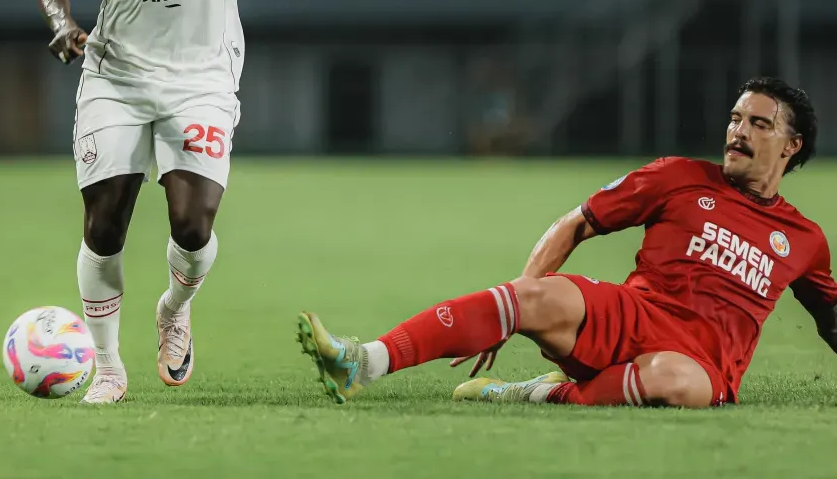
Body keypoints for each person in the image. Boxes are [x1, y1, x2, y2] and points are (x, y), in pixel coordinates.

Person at [37, 0, 416, 405]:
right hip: (116, 77)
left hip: (202, 77)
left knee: (192, 226)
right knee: (104, 225)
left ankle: (174, 309)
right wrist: (62, 24)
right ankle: (106, 369)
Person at [297, 77, 837, 408]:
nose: (737, 131)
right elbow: (577, 222)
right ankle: (363, 361)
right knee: (537, 294)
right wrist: (512, 305)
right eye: (735, 118)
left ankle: (536, 392)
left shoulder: (805, 240)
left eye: (759, 124)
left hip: (702, 363)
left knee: (676, 382)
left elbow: (830, 316)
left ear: (792, 145)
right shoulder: (678, 176)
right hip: (632, 314)